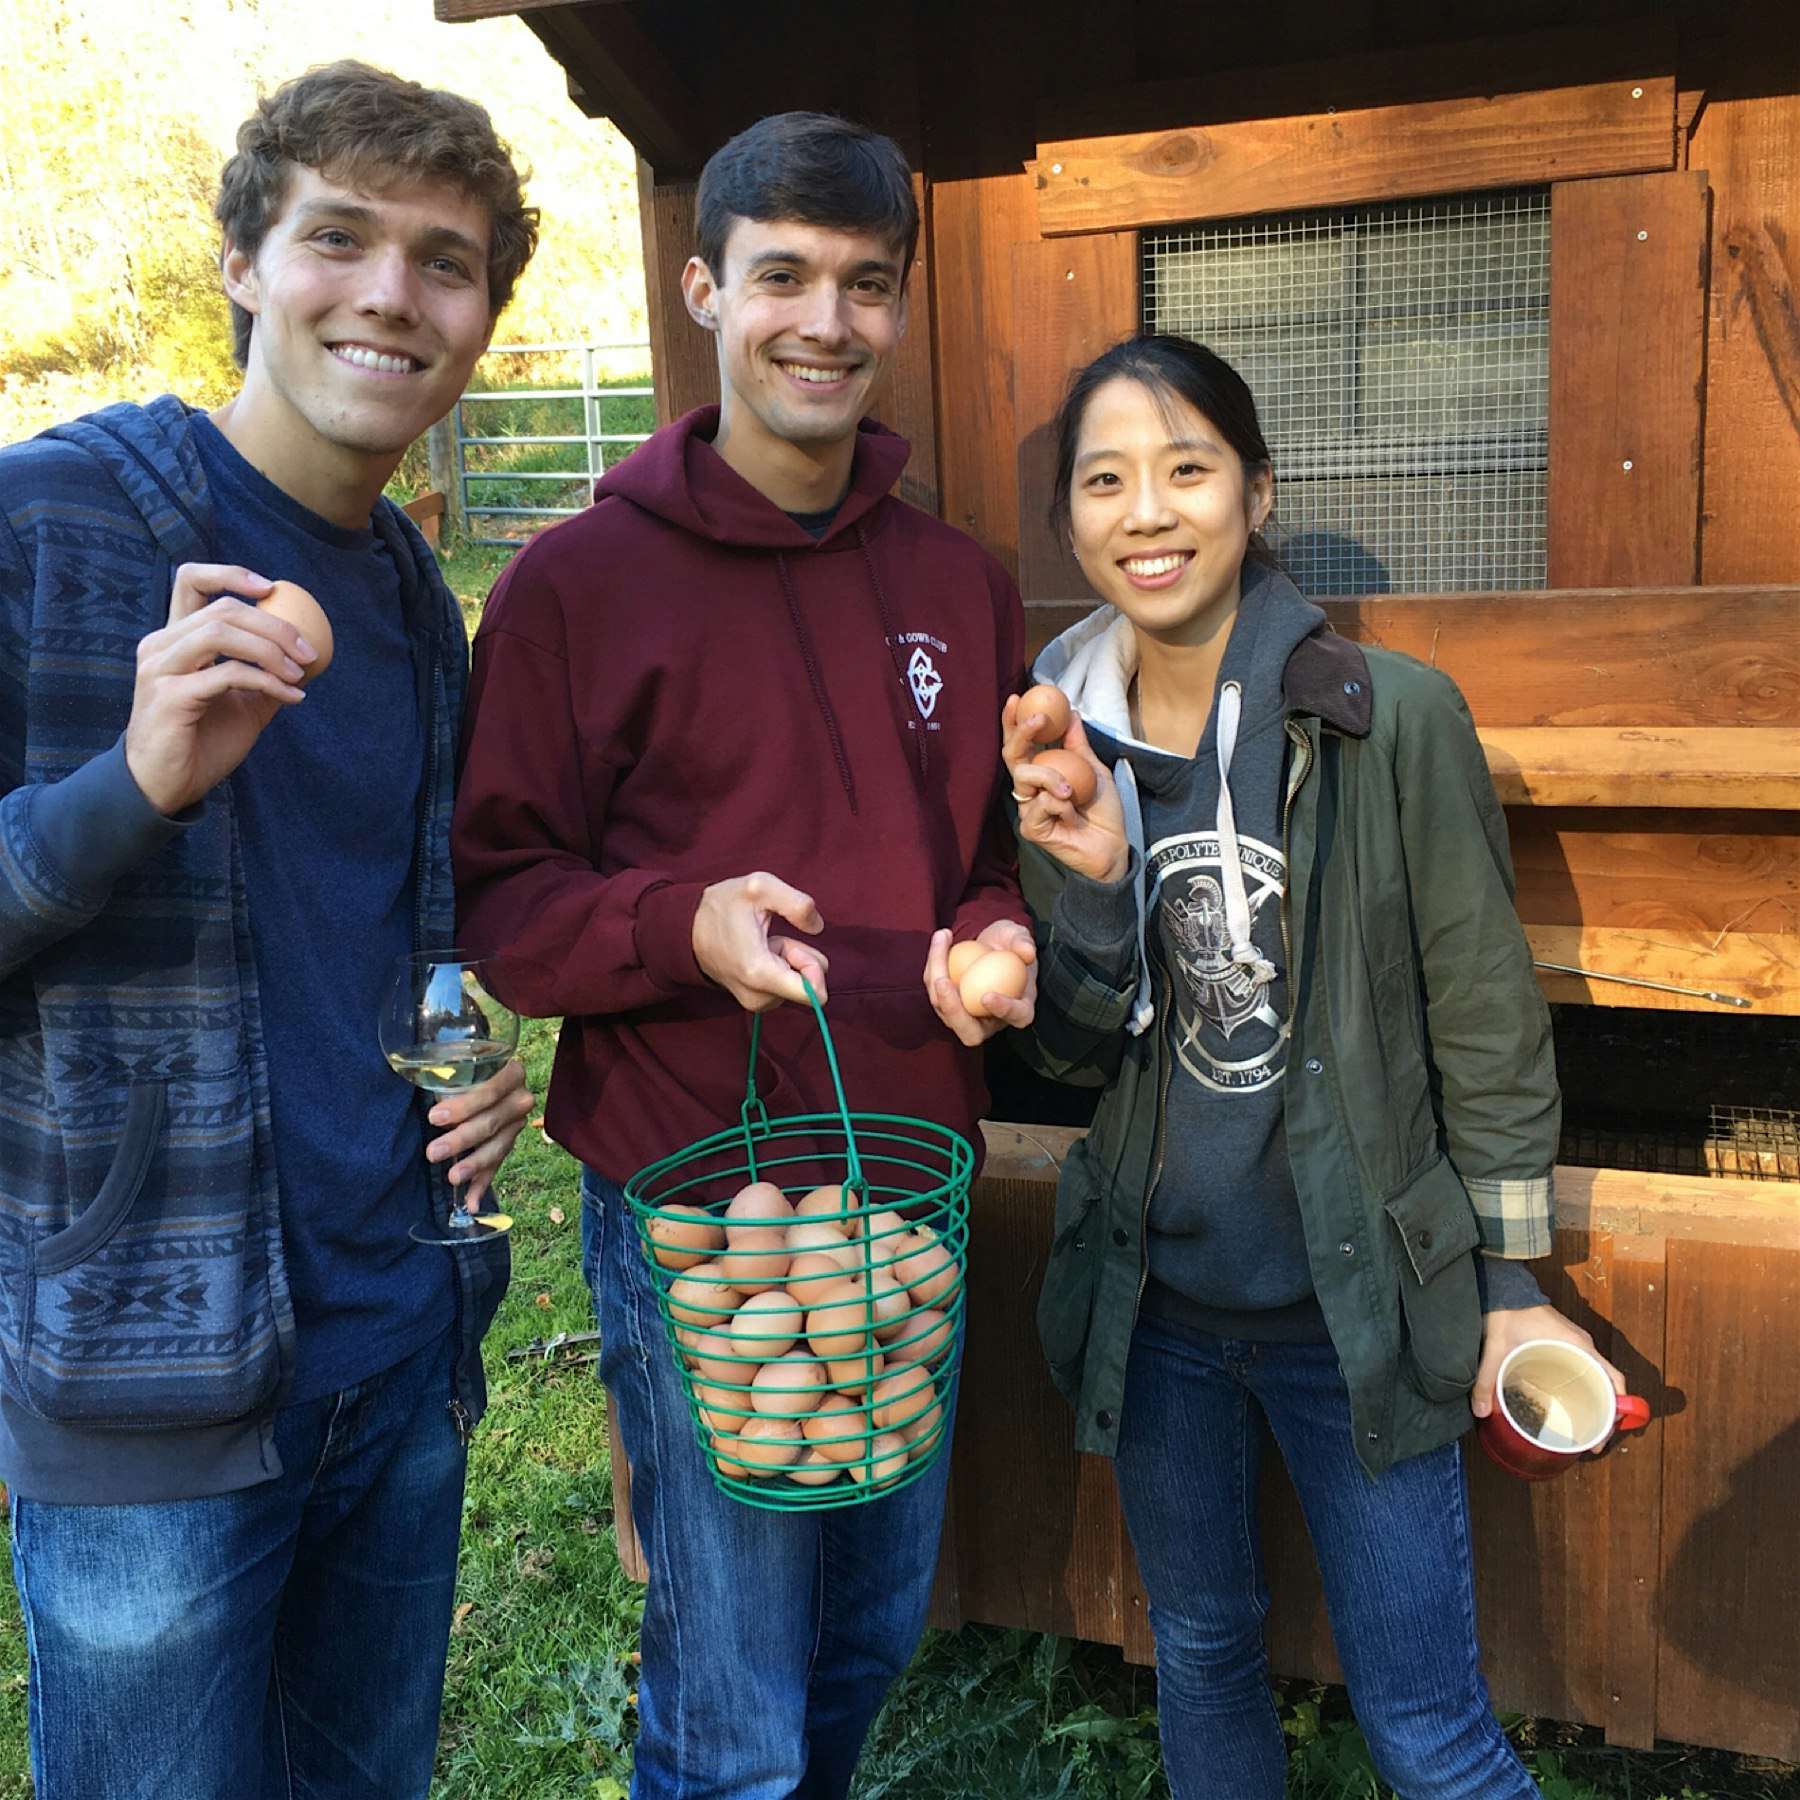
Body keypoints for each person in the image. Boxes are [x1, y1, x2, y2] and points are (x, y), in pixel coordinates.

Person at [453, 111, 1032, 1799]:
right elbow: (501, 902)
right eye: (780, 276)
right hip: (694, 1190)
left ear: (900, 306)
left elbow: (979, 856)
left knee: (865, 1639)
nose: (824, 323)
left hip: (906, 1182)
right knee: (731, 1705)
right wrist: (675, 926)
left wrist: (992, 936)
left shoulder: (959, 578)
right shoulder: (572, 588)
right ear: (704, 287)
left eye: (865, 284)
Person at [0, 62, 539, 1800]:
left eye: (444, 262)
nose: (391, 293)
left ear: (479, 323)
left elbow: (384, 943)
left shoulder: (411, 604)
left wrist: (468, 1056)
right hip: (146, 1383)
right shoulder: (50, 529)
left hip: (398, 1349)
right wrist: (133, 781)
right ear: (244, 260)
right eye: (341, 238)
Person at [1007, 333, 1625, 1799]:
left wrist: (1511, 1279)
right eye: (1105, 481)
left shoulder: (1385, 713)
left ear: (1255, 490)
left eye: (1186, 470)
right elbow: (1073, 1050)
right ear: (1071, 522)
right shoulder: (1056, 733)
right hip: (1155, 1311)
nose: (1146, 512)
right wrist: (1092, 885)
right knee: (1206, 1658)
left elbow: (1484, 1011)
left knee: (1428, 1728)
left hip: (1357, 1307)